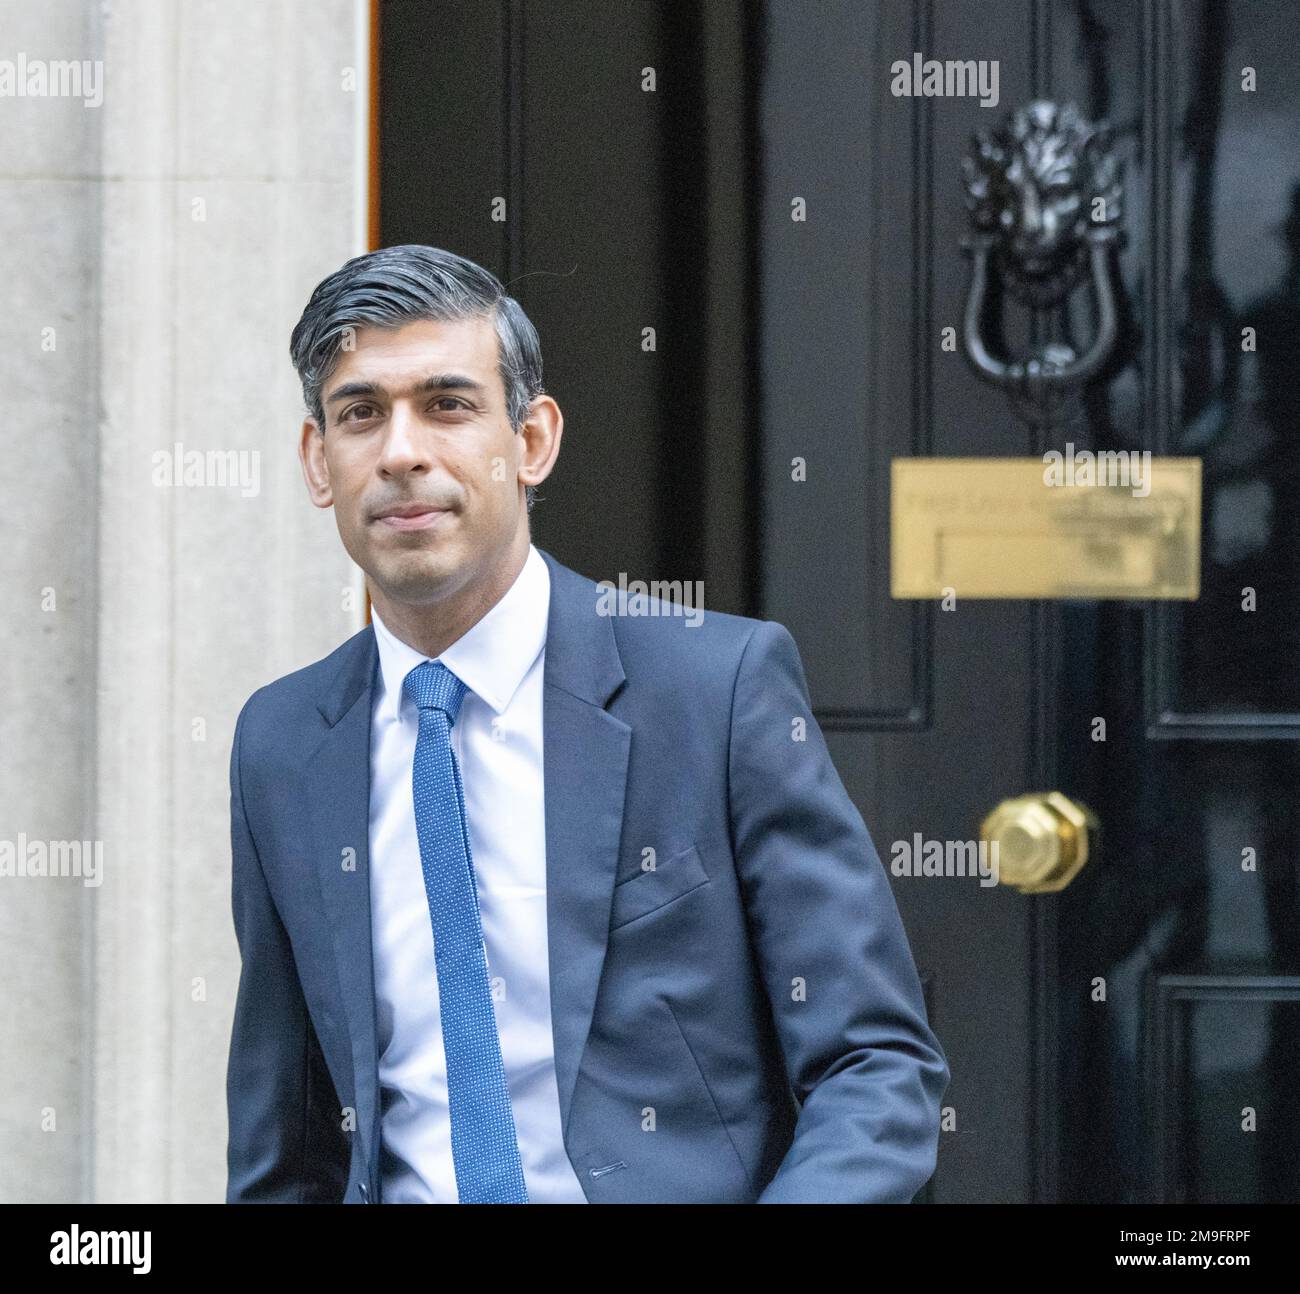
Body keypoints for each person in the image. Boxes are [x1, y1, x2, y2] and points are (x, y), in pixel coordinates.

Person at [224, 244, 949, 1204]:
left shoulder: (714, 688)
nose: (402, 451)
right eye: (361, 413)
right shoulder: (282, 742)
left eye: (448, 405)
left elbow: (876, 1065)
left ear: (531, 442)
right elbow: (288, 1141)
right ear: (320, 461)